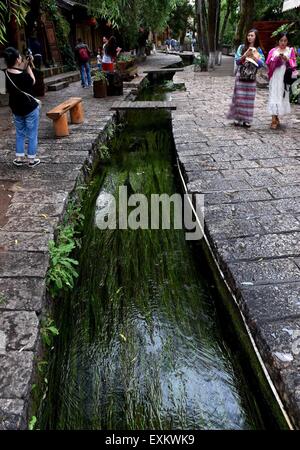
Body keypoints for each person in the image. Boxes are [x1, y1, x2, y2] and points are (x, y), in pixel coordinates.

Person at [3, 47, 41, 167]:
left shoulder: (3, 74)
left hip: (16, 108)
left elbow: (3, 90)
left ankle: (19, 158)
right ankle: (31, 160)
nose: (20, 58)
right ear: (17, 60)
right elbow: (33, 81)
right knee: (32, 134)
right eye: (19, 56)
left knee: (20, 133)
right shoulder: (24, 76)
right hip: (30, 108)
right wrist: (28, 65)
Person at [227, 29, 265, 128]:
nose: (250, 37)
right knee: (239, 97)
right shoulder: (242, 47)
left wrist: (254, 57)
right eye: (248, 35)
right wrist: (245, 55)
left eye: (252, 35)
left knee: (249, 98)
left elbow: (261, 64)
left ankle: (247, 119)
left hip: (251, 77)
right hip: (241, 75)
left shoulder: (258, 49)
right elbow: (237, 61)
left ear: (256, 37)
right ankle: (238, 118)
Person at [266, 32, 297, 130]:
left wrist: (287, 59)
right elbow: (268, 62)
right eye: (281, 40)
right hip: (275, 77)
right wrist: (276, 58)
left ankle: (277, 116)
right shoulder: (273, 51)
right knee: (274, 95)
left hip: (284, 77)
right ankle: (273, 119)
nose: (283, 43)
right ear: (278, 41)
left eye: (285, 41)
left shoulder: (290, 50)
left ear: (287, 41)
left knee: (281, 96)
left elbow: (293, 64)